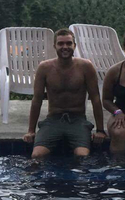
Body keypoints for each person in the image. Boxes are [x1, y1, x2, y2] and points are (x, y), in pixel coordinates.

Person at [24, 28, 106, 159]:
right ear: (54, 46)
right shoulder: (44, 68)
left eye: (69, 43)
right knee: (37, 155)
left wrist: (100, 130)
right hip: (53, 120)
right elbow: (37, 100)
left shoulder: (85, 66)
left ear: (75, 45)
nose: (65, 47)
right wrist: (31, 131)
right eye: (61, 44)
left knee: (82, 156)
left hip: (78, 120)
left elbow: (96, 98)